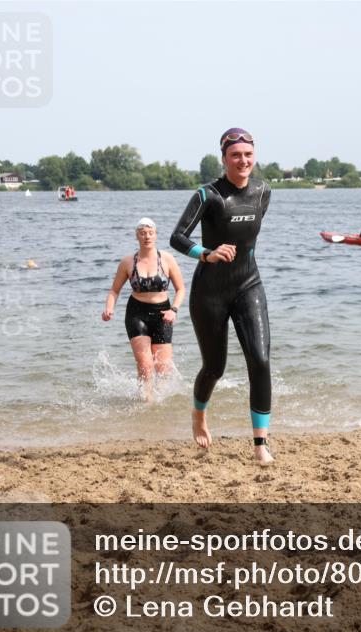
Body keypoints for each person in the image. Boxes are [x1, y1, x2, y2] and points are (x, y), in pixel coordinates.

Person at [171, 128, 274, 464]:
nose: (242, 161)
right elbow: (177, 237)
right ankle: (199, 415)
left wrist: (242, 261)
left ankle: (260, 443)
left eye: (248, 154)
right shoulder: (208, 195)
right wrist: (207, 253)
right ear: (224, 158)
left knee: (260, 361)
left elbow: (250, 241)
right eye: (235, 155)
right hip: (210, 292)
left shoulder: (262, 191)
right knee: (214, 367)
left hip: (249, 285)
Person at [102, 218, 185, 402]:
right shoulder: (127, 262)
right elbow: (114, 290)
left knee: (163, 368)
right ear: (137, 236)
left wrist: (174, 310)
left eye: (150, 233)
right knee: (145, 365)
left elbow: (181, 289)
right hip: (136, 313)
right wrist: (109, 308)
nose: (147, 236)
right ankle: (146, 402)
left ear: (155, 235)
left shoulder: (167, 259)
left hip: (163, 313)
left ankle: (160, 403)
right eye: (142, 233)